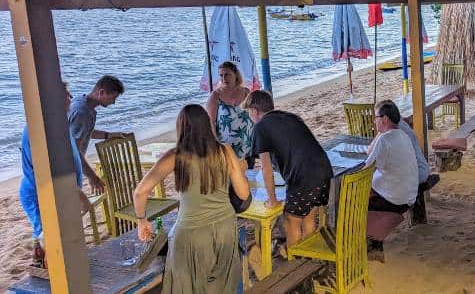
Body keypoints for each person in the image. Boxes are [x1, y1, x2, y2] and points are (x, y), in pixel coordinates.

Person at [133, 104, 249, 294]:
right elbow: (243, 194)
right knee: (221, 287)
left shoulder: (175, 156)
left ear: (181, 127)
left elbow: (140, 193)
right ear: (207, 125)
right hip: (225, 228)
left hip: (191, 235)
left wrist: (141, 220)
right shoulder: (225, 151)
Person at [243, 90, 333, 256]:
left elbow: (266, 169)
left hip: (304, 177)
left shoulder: (260, 127)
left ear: (255, 111)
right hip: (324, 169)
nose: (250, 117)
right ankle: (308, 258)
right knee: (308, 218)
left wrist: (272, 200)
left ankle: (295, 262)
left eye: (249, 112)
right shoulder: (290, 116)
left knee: (291, 222)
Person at [20, 82, 91, 268]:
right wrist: (80, 195)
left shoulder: (58, 123)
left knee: (58, 238)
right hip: (40, 193)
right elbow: (52, 169)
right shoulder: (42, 128)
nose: (70, 97)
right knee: (48, 239)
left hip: (61, 192)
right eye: (66, 94)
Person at [68, 75, 126, 192]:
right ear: (101, 92)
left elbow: (83, 132)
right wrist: (92, 177)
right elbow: (73, 150)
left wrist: (108, 135)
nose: (114, 102)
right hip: (67, 169)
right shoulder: (83, 112)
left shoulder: (81, 101)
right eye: (113, 98)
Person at [365, 100, 418, 214]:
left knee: (355, 198)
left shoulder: (385, 139)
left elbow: (366, 170)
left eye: (376, 117)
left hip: (395, 201)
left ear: (385, 119)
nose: (374, 121)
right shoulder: (403, 135)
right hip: (409, 195)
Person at [206, 61, 254, 168]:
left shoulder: (246, 92)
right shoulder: (215, 96)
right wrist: (216, 144)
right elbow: (210, 123)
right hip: (227, 148)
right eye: (221, 75)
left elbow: (254, 114)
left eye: (227, 74)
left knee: (247, 177)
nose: (224, 78)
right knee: (229, 182)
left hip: (247, 145)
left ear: (235, 75)